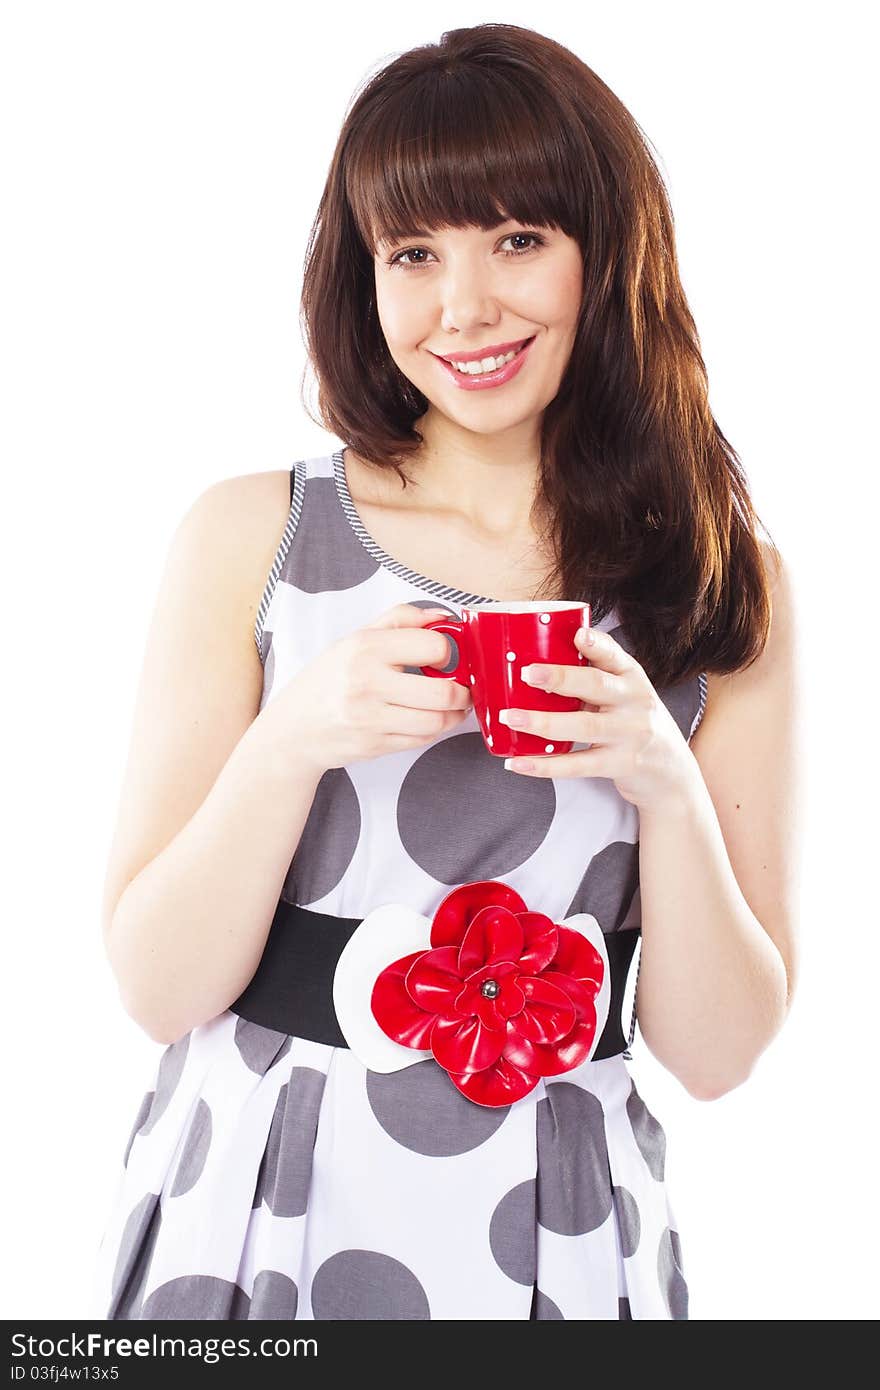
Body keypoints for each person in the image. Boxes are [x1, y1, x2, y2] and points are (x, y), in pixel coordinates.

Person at [90, 22, 800, 1321]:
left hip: (561, 1215)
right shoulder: (251, 533)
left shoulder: (715, 579)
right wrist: (295, 733)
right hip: (266, 1192)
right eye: (413, 253)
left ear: (608, 252)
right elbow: (155, 984)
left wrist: (663, 780)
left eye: (519, 239)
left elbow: (719, 1052)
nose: (464, 307)